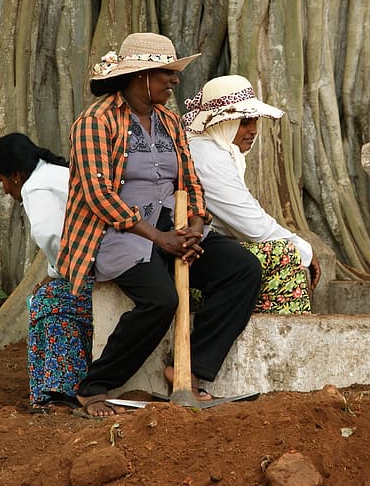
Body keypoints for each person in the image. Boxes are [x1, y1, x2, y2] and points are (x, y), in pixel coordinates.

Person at [56, 32, 262, 418]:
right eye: (167, 73)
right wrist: (160, 239)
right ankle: (93, 388)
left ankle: (192, 371)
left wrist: (195, 229)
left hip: (175, 226)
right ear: (140, 77)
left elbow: (191, 182)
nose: (174, 80)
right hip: (120, 233)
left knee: (243, 269)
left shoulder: (169, 120)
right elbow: (99, 196)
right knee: (161, 300)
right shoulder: (94, 123)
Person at [183, 75, 321, 314]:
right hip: (192, 257)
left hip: (204, 251)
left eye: (255, 121)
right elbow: (253, 225)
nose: (253, 130)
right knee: (285, 254)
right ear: (221, 123)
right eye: (244, 122)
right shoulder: (208, 155)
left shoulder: (213, 148)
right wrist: (304, 251)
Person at [0, 132, 92, 412]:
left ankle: (60, 392)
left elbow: (53, 237)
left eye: (2, 180)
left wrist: (58, 274)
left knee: (50, 301)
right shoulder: (56, 172)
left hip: (98, 271)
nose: (4, 189)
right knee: (49, 294)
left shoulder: (36, 188)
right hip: (111, 260)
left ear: (16, 176)